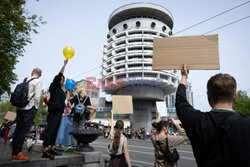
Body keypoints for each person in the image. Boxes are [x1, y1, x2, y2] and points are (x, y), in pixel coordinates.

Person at [176, 64, 250, 167]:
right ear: (235, 96)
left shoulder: (197, 121)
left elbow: (180, 102)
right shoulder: (246, 124)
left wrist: (184, 76)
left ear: (208, 96)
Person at [11, 68, 42, 160]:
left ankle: (14, 153)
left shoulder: (25, 80)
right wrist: (36, 107)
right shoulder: (37, 81)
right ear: (40, 74)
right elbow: (37, 96)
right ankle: (19, 152)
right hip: (29, 108)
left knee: (18, 129)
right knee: (24, 130)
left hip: (19, 107)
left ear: (32, 72)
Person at [42, 59, 68, 160]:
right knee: (50, 130)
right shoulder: (54, 86)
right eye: (62, 79)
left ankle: (52, 149)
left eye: (63, 79)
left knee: (55, 131)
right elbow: (59, 75)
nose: (63, 80)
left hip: (59, 112)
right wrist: (64, 65)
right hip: (53, 112)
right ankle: (45, 150)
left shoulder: (61, 90)